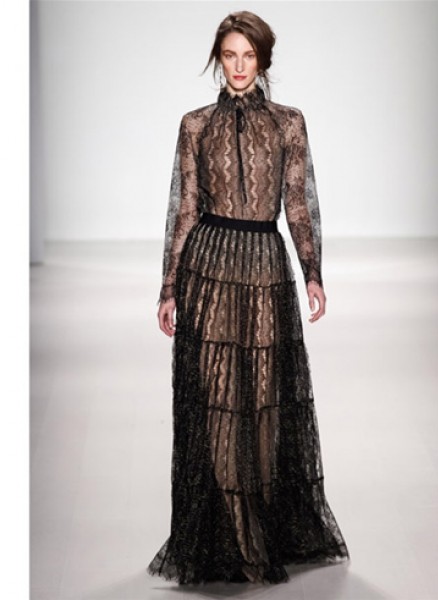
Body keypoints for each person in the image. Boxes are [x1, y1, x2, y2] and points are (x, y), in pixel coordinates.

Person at [147, 10, 350, 585]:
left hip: (264, 265)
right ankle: (236, 535)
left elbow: (299, 202)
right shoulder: (194, 125)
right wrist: (169, 285)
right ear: (219, 59)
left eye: (249, 55)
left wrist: (312, 272)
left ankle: (258, 523)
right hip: (208, 267)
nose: (239, 66)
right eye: (230, 55)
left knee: (263, 401)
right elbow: (184, 208)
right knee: (215, 400)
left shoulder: (289, 123)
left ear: (263, 60)